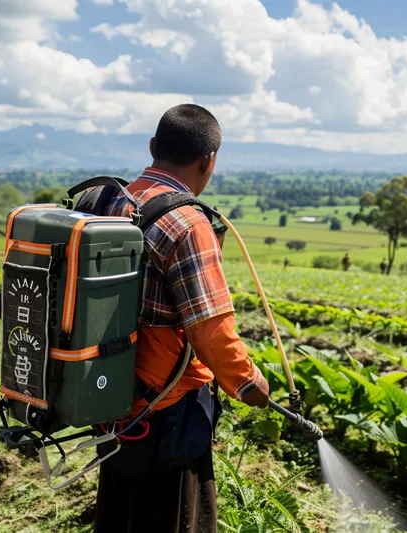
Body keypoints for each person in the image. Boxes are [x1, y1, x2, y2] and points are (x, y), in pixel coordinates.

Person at [94, 104, 269, 533]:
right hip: (167, 411)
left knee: (120, 513)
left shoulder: (103, 200)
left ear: (153, 147)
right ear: (209, 161)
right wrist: (250, 385)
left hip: (105, 394)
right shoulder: (188, 224)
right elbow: (210, 330)